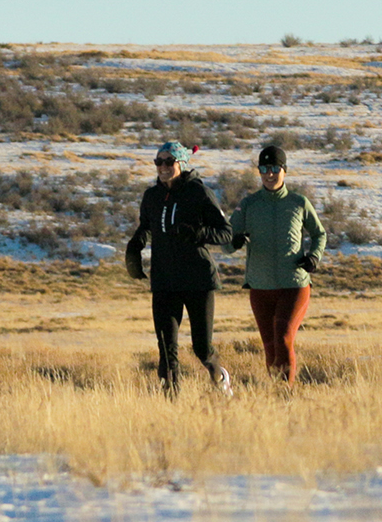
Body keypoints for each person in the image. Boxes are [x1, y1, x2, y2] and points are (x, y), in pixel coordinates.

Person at [125, 141, 233, 394]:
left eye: (168, 162)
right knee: (166, 347)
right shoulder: (151, 196)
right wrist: (135, 246)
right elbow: (146, 227)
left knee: (202, 348)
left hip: (198, 280)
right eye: (158, 162)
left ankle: (220, 377)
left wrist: (198, 233)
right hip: (164, 280)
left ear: (181, 164)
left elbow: (226, 233)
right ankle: (171, 401)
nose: (162, 167)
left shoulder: (199, 193)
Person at [228, 144, 326, 384]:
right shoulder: (249, 205)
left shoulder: (298, 203)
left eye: (274, 168)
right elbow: (226, 243)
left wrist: (314, 257)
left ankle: (286, 396)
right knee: (270, 347)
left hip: (294, 284)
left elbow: (319, 234)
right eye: (264, 168)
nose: (269, 174)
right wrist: (236, 240)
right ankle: (276, 395)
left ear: (284, 170)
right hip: (260, 287)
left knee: (283, 338)